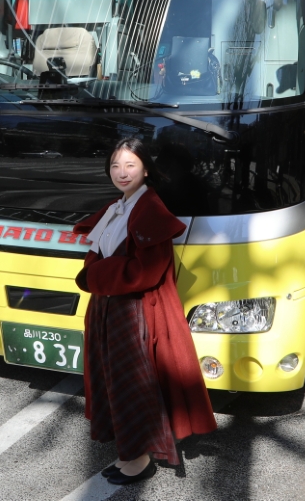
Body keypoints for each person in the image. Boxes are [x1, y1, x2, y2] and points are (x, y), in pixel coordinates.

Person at [73, 137, 217, 486]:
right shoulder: (116, 207)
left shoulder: (151, 209)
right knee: (112, 383)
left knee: (131, 386)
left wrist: (92, 276)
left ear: (146, 169)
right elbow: (100, 253)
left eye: (130, 165)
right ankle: (128, 456)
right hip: (110, 308)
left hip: (136, 311)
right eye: (115, 166)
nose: (121, 173)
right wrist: (94, 273)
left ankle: (139, 461)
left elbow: (145, 272)